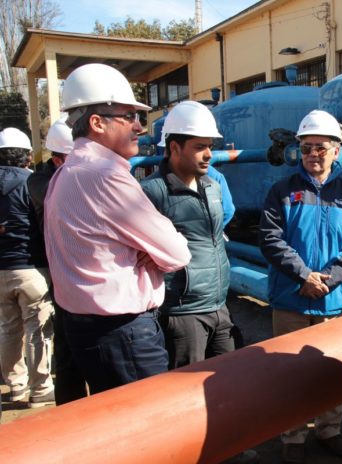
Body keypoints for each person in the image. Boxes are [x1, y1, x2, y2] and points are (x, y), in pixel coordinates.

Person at [44, 63, 191, 395]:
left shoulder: (67, 172)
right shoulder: (103, 175)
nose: (139, 127)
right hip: (124, 334)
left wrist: (142, 251)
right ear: (97, 123)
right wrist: (147, 252)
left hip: (88, 329)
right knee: (150, 430)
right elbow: (177, 251)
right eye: (129, 117)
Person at [141, 100, 257, 464]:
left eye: (211, 145)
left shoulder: (212, 185)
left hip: (220, 303)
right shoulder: (152, 192)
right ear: (173, 147)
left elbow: (219, 231)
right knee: (185, 393)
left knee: (225, 386)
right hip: (183, 311)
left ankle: (229, 447)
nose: (209, 154)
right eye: (199, 146)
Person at [259, 109, 342, 464]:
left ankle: (329, 430)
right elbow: (271, 239)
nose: (313, 154)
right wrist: (303, 275)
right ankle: (292, 434)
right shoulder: (282, 192)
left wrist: (329, 279)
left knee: (329, 373)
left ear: (337, 150)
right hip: (291, 299)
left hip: (333, 301)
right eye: (306, 147)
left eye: (321, 147)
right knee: (289, 373)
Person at [26, 118, 88, 405]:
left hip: (83, 272)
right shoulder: (41, 183)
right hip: (61, 272)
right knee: (67, 350)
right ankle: (72, 409)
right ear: (57, 158)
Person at [0, 127, 55, 409]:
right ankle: (41, 388)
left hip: (1, 271)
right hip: (31, 266)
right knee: (38, 330)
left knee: (9, 330)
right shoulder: (31, 182)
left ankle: (16, 386)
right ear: (28, 156)